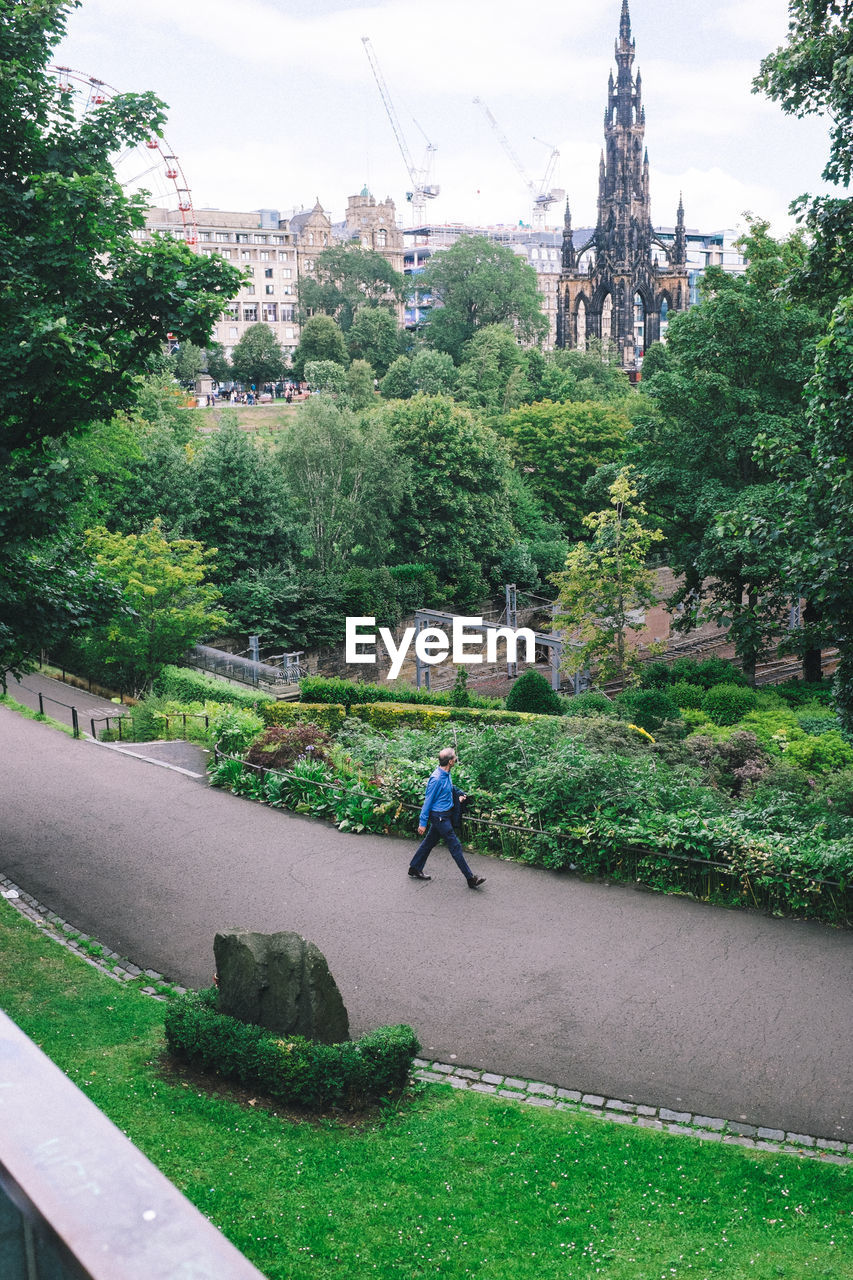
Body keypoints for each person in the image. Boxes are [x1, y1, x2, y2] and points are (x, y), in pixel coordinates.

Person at [409, 746, 486, 889]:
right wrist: (422, 822)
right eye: (455, 757)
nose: (456, 758)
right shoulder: (436, 778)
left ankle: (414, 867)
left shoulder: (447, 774)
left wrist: (458, 797)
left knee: (429, 842)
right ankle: (470, 878)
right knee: (455, 845)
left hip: (445, 814)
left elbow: (448, 790)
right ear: (450, 761)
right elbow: (428, 801)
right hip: (439, 817)